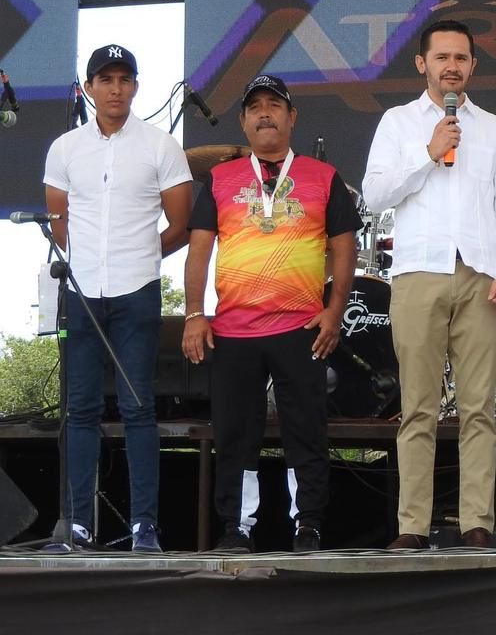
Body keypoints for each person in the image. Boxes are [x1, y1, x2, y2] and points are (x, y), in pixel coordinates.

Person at [362, 19, 496, 550]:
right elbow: (375, 194)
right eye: (442, 57)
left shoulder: (494, 130)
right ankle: (412, 527)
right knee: (418, 407)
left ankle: (477, 523)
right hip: (418, 273)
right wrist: (428, 152)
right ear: (422, 64)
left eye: (461, 57)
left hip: (480, 275)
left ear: (473, 65)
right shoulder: (398, 122)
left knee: (479, 406)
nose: (451, 66)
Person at [183, 74, 359, 553]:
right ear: (243, 120)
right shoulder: (220, 179)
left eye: (274, 105)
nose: (265, 113)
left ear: (291, 117)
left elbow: (345, 249)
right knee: (236, 434)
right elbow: (199, 250)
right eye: (255, 106)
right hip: (234, 329)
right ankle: (236, 528)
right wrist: (194, 314)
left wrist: (334, 312)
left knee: (306, 430)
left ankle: (308, 525)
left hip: (301, 326)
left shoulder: (324, 177)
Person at [43, 44, 192, 552]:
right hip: (82, 291)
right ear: (89, 88)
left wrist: (140, 258)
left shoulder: (160, 145)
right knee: (80, 409)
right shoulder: (65, 148)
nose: (115, 88)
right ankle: (78, 524)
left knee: (138, 407)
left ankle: (144, 526)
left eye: (124, 79)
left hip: (137, 290)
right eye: (105, 79)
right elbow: (58, 222)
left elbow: (181, 224)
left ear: (136, 87)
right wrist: (89, 260)